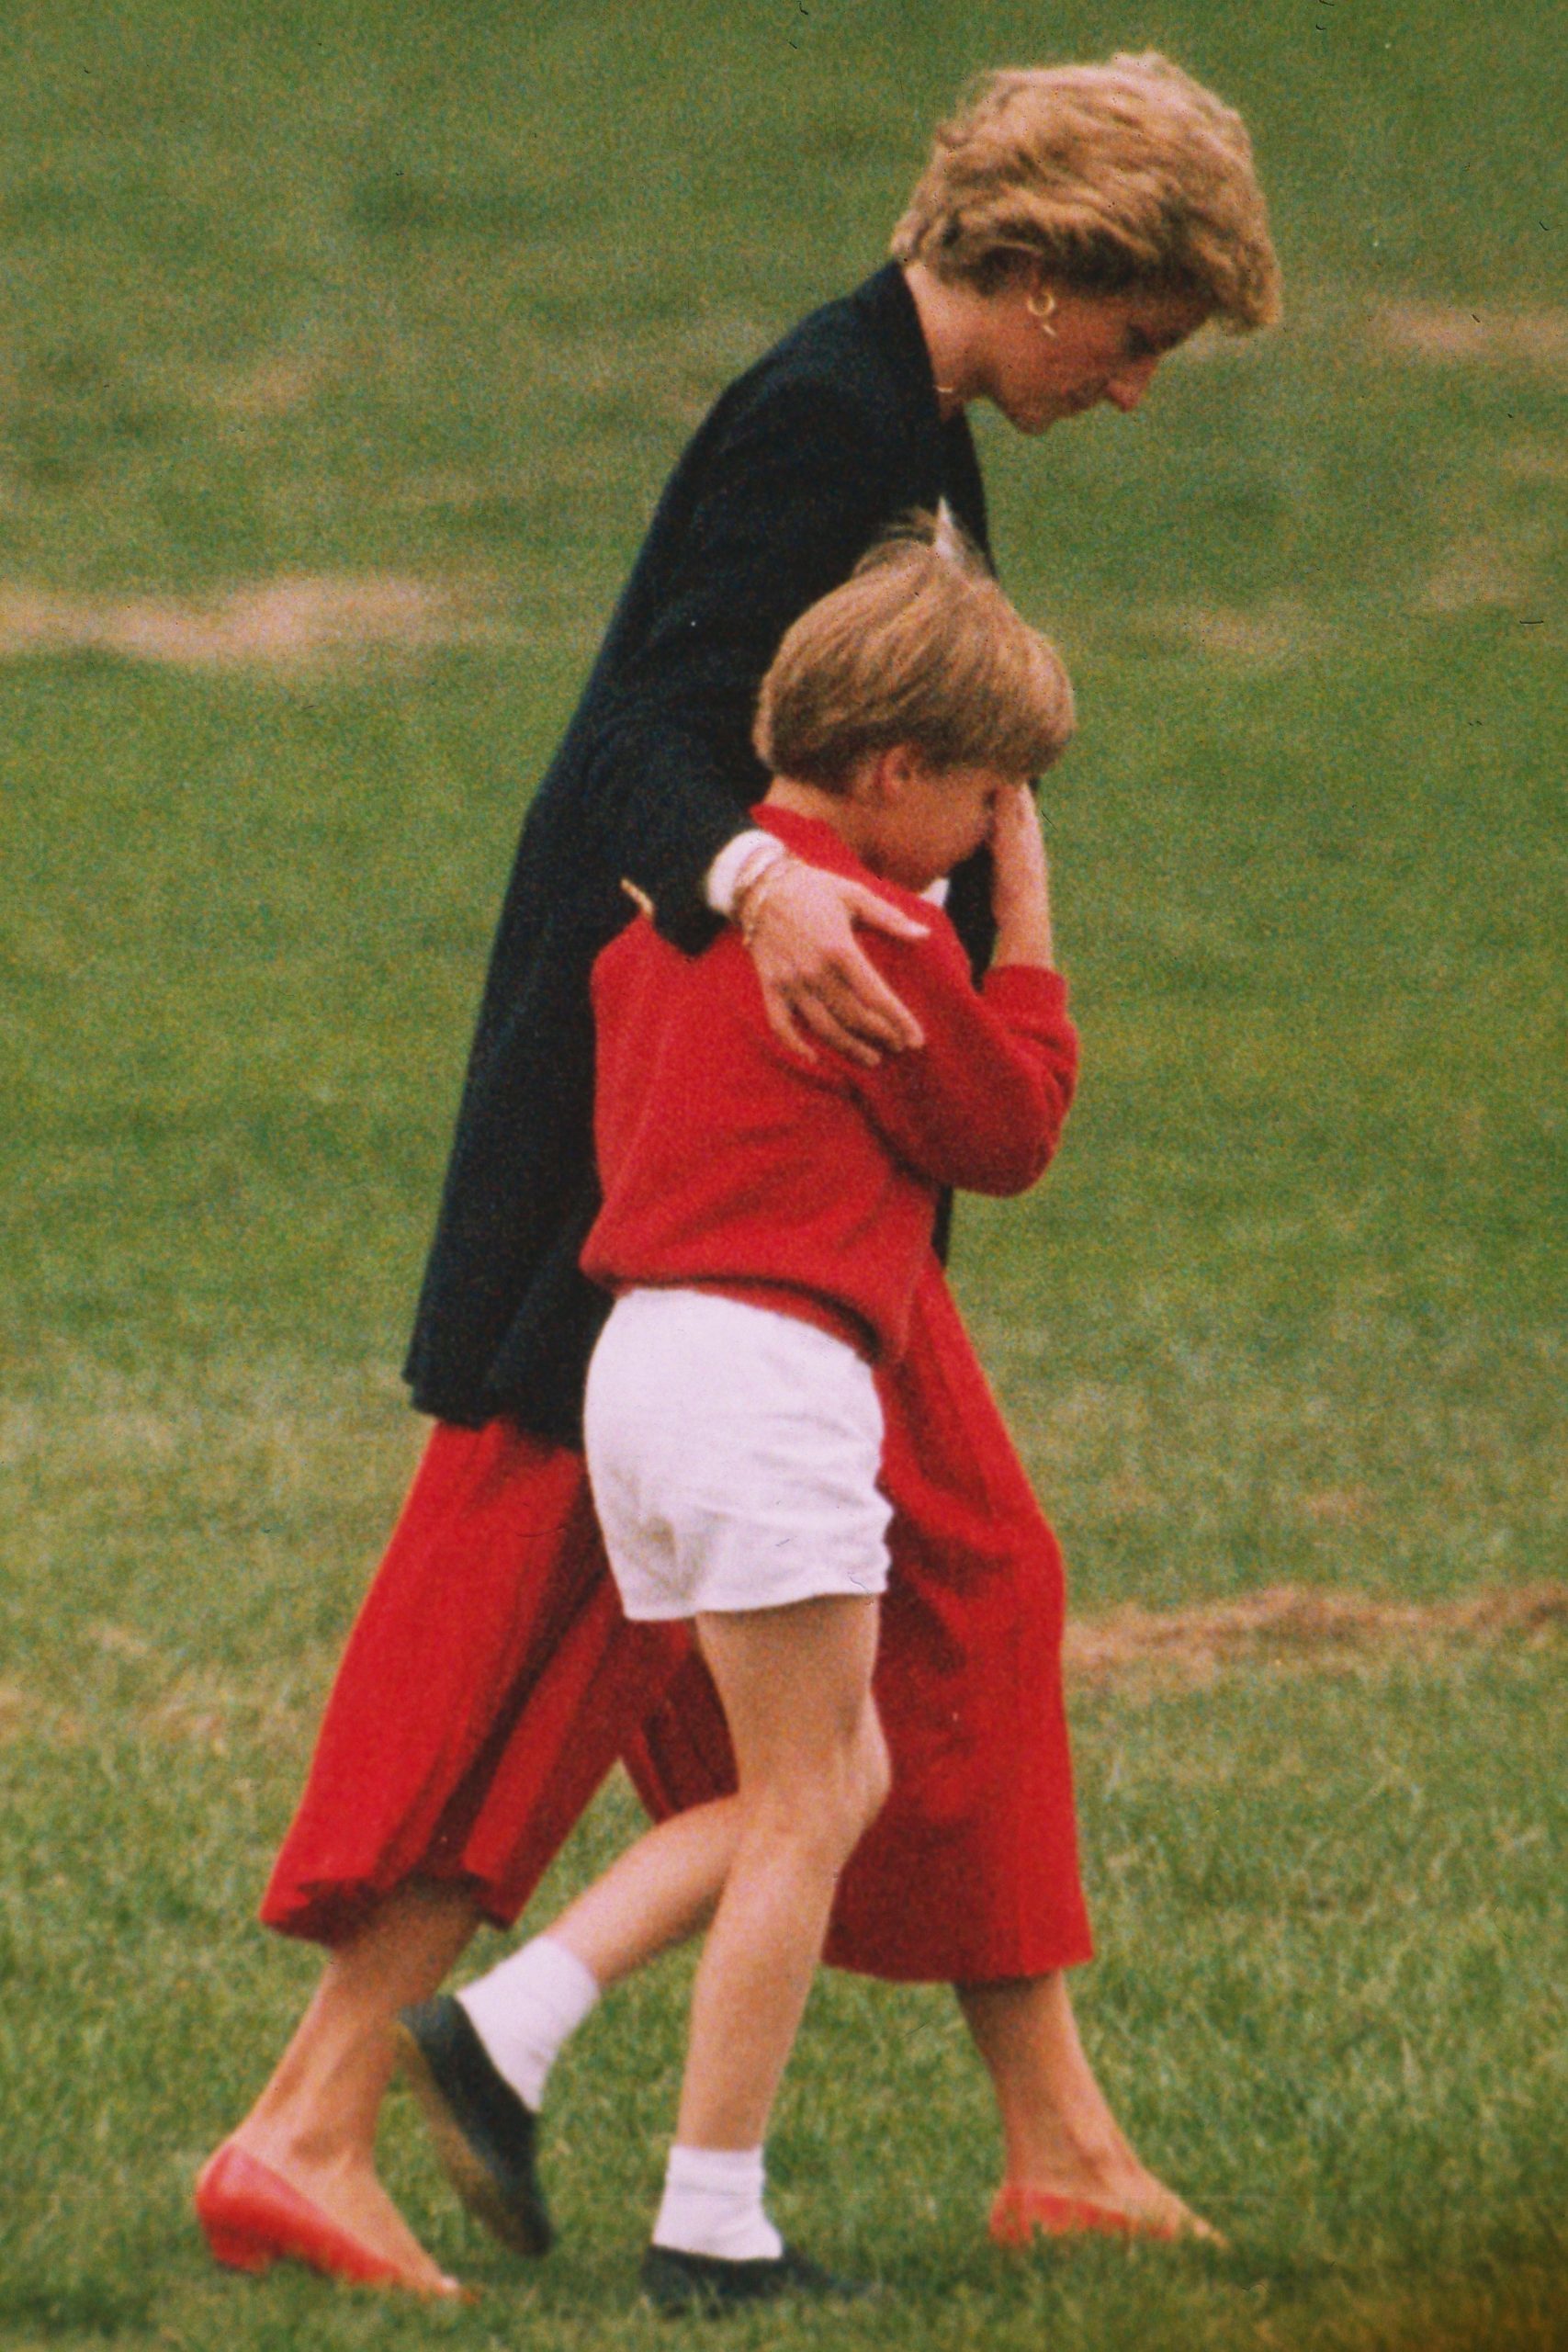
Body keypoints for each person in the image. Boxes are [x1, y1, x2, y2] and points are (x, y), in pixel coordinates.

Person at [195, 51, 1281, 2297]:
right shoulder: (829, 417)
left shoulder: (904, 425)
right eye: (1141, 336)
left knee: (970, 1580)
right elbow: (638, 742)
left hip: (814, 1191)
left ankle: (1057, 2135)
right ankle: (310, 2117)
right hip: (677, 1185)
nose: (1138, 389)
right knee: (541, 1624)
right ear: (1045, 262)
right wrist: (752, 885)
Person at [401, 527, 1080, 2313]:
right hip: (770, 1373)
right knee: (803, 1806)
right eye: (989, 791)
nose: (994, 824)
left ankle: (506, 2020)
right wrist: (1022, 928)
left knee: (825, 1775)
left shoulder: (680, 914)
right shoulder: (865, 924)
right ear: (894, 775)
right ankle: (711, 2223)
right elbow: (1004, 1132)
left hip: (642, 1374)